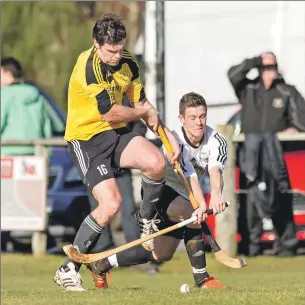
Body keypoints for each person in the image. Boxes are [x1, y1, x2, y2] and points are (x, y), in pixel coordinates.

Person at [53, 14, 180, 291]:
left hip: (115, 134)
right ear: (96, 45)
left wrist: (169, 138)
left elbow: (142, 103)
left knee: (156, 162)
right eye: (110, 50)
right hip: (86, 139)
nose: (116, 56)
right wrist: (143, 112)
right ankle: (68, 268)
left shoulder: (129, 63)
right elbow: (111, 113)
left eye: (120, 49)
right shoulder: (88, 67)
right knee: (111, 204)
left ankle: (146, 221)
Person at [86, 92, 228, 290]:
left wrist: (217, 195)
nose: (199, 123)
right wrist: (202, 204)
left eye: (202, 116)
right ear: (182, 119)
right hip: (161, 192)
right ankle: (202, 279)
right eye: (193, 118)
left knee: (160, 254)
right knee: (192, 211)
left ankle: (103, 264)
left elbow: (215, 171)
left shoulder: (217, 141)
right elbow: (190, 176)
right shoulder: (175, 142)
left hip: (185, 195)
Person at [227, 52, 302, 257]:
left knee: (279, 197)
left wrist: (292, 129)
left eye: (272, 66)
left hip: (277, 158)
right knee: (251, 199)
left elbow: (301, 120)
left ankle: (287, 245)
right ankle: (250, 247)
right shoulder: (247, 89)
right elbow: (233, 74)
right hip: (250, 156)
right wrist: (255, 60)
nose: (268, 71)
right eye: (264, 67)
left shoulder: (287, 91)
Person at [1, 57, 52, 156]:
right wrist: (47, 154)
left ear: (7, 73)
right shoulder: (37, 96)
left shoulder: (4, 95)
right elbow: (46, 128)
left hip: (8, 152)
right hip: (34, 153)